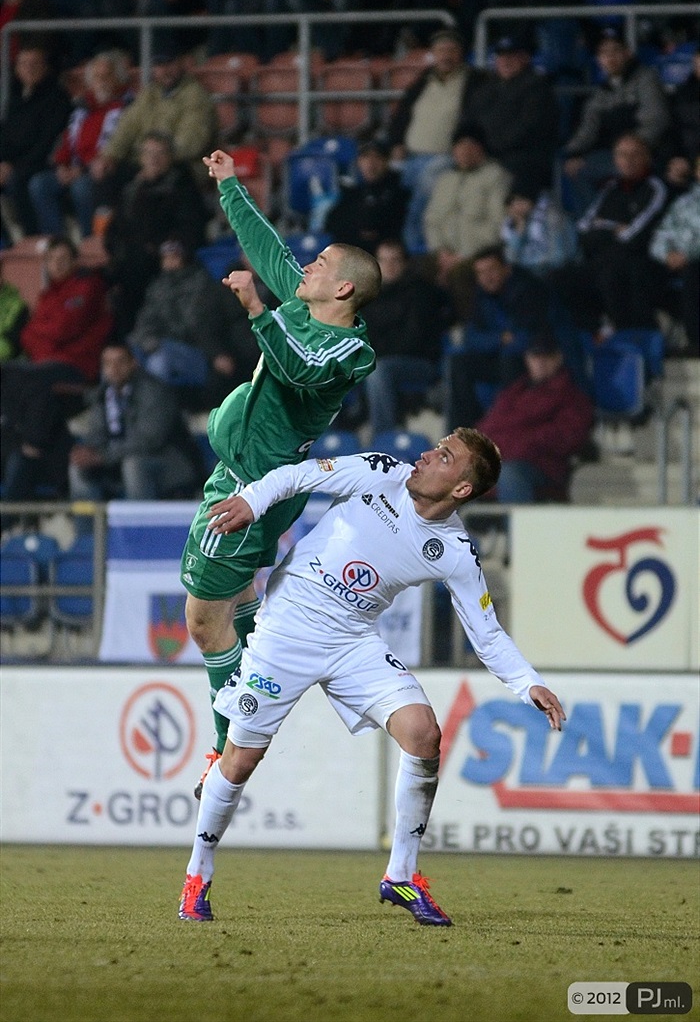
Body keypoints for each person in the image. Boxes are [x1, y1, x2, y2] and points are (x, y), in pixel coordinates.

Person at [178, 428, 566, 925]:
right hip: (289, 627)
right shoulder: (382, 472)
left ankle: (401, 875)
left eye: (444, 456)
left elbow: (485, 631)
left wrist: (526, 682)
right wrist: (252, 501)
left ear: (462, 488)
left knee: (423, 734)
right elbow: (299, 475)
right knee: (239, 760)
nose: (427, 454)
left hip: (352, 642)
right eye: (435, 447)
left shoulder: (452, 550)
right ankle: (197, 875)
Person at [180, 148, 381, 797]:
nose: (308, 265)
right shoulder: (299, 305)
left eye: (320, 264)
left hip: (254, 486)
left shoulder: (351, 348)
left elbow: (298, 369)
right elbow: (265, 246)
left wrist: (255, 310)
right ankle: (250, 696)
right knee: (234, 607)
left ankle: (226, 749)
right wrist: (231, 184)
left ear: (343, 288)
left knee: (202, 619)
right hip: (239, 471)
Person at [0, 236, 113, 503]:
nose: (58, 265)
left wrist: (43, 338)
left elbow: (64, 328)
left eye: (64, 259)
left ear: (74, 261)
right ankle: (27, 444)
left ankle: (31, 444)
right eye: (53, 260)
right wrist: (45, 337)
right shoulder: (48, 295)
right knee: (19, 380)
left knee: (19, 377)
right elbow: (28, 335)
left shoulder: (87, 286)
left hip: (76, 369)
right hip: (44, 372)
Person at [386, 28, 488, 255]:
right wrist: (396, 144)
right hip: (410, 157)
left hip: (445, 158)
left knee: (421, 194)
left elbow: (475, 123)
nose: (446, 55)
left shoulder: (474, 81)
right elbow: (401, 115)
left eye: (451, 50)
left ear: (462, 53)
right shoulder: (424, 80)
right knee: (386, 189)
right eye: (440, 50)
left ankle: (415, 252)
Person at [103, 131, 209, 337]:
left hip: (160, 262)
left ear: (170, 157)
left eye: (160, 153)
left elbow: (191, 228)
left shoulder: (182, 187)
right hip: (128, 262)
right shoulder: (131, 189)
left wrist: (169, 250)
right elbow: (114, 230)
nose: (153, 159)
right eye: (148, 153)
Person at [68, 342, 202, 501]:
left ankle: (139, 524)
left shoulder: (154, 390)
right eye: (108, 363)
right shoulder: (102, 395)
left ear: (133, 363)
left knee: (133, 464)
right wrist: (87, 452)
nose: (114, 368)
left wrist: (103, 457)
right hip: (117, 460)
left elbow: (149, 440)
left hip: (167, 463)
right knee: (78, 466)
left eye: (120, 362)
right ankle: (89, 526)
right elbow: (97, 433)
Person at [90, 38, 217, 203]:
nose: (164, 70)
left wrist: (154, 158)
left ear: (181, 63)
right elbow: (127, 126)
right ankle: (107, 228)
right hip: (146, 161)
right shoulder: (150, 93)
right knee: (105, 176)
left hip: (183, 165)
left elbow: (190, 144)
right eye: (159, 65)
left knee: (156, 186)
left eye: (169, 63)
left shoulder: (195, 95)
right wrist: (109, 156)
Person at [128, 238, 249, 410]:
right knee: (125, 356)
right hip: (162, 346)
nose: (169, 262)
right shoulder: (158, 287)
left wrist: (161, 341)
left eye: (174, 256)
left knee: (158, 363)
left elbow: (194, 325)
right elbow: (145, 321)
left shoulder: (200, 282)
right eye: (166, 257)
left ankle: (160, 414)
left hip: (197, 351)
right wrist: (150, 342)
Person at [562, 28, 672, 216]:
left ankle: (607, 222)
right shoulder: (601, 92)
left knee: (612, 166)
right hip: (612, 155)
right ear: (598, 60)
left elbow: (655, 121)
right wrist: (571, 152)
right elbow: (588, 129)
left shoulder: (646, 78)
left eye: (615, 51)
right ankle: (593, 224)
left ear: (627, 53)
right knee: (569, 167)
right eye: (604, 53)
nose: (610, 57)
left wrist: (627, 151)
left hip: (645, 153)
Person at [444, 244, 554, 430]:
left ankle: (505, 427)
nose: (487, 277)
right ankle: (462, 432)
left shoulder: (527, 291)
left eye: (492, 270)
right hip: (497, 356)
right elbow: (471, 338)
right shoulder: (481, 296)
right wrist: (499, 339)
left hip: (528, 363)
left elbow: (528, 337)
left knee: (509, 357)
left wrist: (496, 341)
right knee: (458, 362)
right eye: (481, 273)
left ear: (506, 269)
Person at [27, 49, 133, 238]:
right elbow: (67, 141)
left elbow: (117, 147)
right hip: (74, 168)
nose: (101, 81)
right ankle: (57, 241)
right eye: (97, 77)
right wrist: (61, 165)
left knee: (82, 187)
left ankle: (88, 241)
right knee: (39, 184)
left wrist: (82, 170)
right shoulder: (83, 106)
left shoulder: (126, 106)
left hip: (103, 171)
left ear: (118, 78)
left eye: (107, 76)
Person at [477, 333, 594, 502]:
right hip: (497, 461)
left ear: (558, 358)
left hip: (541, 467)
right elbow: (488, 427)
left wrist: (516, 444)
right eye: (535, 356)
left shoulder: (572, 396)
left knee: (510, 474)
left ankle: (518, 528)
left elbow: (567, 437)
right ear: (527, 359)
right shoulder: (513, 393)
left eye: (547, 356)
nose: (540, 362)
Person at [576, 133, 668, 331]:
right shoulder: (610, 188)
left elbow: (634, 237)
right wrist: (613, 229)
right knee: (562, 277)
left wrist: (603, 227)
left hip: (644, 260)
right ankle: (592, 332)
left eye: (635, 154)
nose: (628, 160)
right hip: (607, 258)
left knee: (615, 270)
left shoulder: (655, 187)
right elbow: (583, 231)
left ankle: (628, 332)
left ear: (647, 158)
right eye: (622, 155)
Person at [361, 239, 452, 434]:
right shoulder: (370, 296)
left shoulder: (421, 293)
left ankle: (383, 440)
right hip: (380, 359)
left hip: (419, 363)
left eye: (395, 260)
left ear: (405, 263)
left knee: (378, 371)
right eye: (384, 260)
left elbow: (413, 342)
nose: (389, 266)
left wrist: (374, 354)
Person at [458, 30, 560, 198]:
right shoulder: (486, 87)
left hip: (521, 158)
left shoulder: (538, 88)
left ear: (525, 58)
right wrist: (467, 145)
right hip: (484, 154)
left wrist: (485, 150)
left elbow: (528, 130)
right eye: (501, 56)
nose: (506, 61)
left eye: (512, 56)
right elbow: (468, 120)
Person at [423, 126, 512, 313]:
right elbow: (432, 220)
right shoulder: (445, 180)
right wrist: (441, 252)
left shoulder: (496, 177)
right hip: (444, 253)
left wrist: (462, 255)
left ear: (481, 148)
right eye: (460, 145)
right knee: (416, 270)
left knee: (461, 274)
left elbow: (499, 225)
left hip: (478, 254)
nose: (465, 151)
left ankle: (467, 326)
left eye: (471, 145)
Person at [0, 44, 71, 239]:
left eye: (34, 63)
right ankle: (5, 244)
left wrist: (12, 166)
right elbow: (4, 135)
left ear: (45, 67)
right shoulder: (16, 98)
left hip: (41, 162)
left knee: (19, 180)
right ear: (17, 69)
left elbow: (47, 142)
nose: (29, 68)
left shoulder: (57, 97)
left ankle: (31, 238)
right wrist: (3, 162)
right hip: (14, 163)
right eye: (24, 63)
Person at [649, 155, 700, 356]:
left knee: (692, 273)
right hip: (680, 262)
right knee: (641, 273)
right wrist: (667, 254)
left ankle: (696, 341)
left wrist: (687, 254)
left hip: (692, 263)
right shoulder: (683, 203)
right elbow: (661, 235)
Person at [325, 140, 410, 255]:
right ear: (359, 162)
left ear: (386, 162)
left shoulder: (399, 193)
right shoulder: (352, 193)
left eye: (377, 157)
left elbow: (393, 225)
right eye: (365, 157)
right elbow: (332, 223)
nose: (371, 163)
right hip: (353, 255)